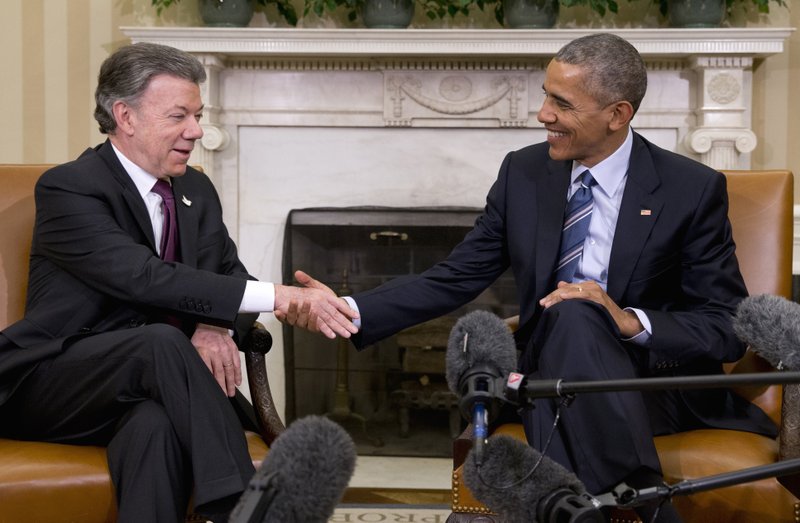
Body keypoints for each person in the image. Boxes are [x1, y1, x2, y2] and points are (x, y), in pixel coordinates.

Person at [282, 33, 777, 521]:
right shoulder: (524, 173)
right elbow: (457, 274)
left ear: (617, 114)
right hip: (546, 372)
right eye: (545, 94)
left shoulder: (688, 189)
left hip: (646, 387)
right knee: (572, 319)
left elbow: (723, 326)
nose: (543, 114)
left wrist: (627, 321)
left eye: (561, 102)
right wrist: (351, 308)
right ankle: (639, 501)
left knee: (581, 316)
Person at [0, 42, 358, 523]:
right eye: (178, 116)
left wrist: (214, 326)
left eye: (198, 114)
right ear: (125, 116)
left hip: (145, 391)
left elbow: (228, 277)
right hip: (49, 383)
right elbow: (142, 278)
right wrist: (279, 297)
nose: (196, 131)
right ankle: (249, 506)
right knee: (160, 341)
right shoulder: (72, 187)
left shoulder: (194, 188)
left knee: (153, 430)